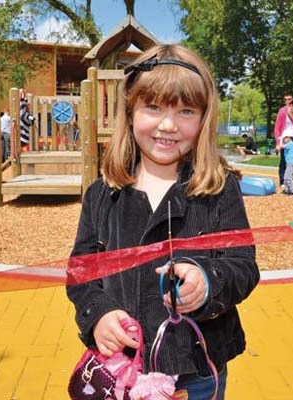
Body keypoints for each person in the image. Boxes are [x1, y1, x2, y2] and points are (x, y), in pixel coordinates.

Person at [66, 44, 259, 400]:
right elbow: (81, 272)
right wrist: (99, 315)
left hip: (197, 372)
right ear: (130, 111)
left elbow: (243, 266)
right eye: (153, 107)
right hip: (121, 369)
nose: (168, 125)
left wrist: (207, 283)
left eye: (186, 111)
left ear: (203, 119)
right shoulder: (101, 194)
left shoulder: (219, 189)